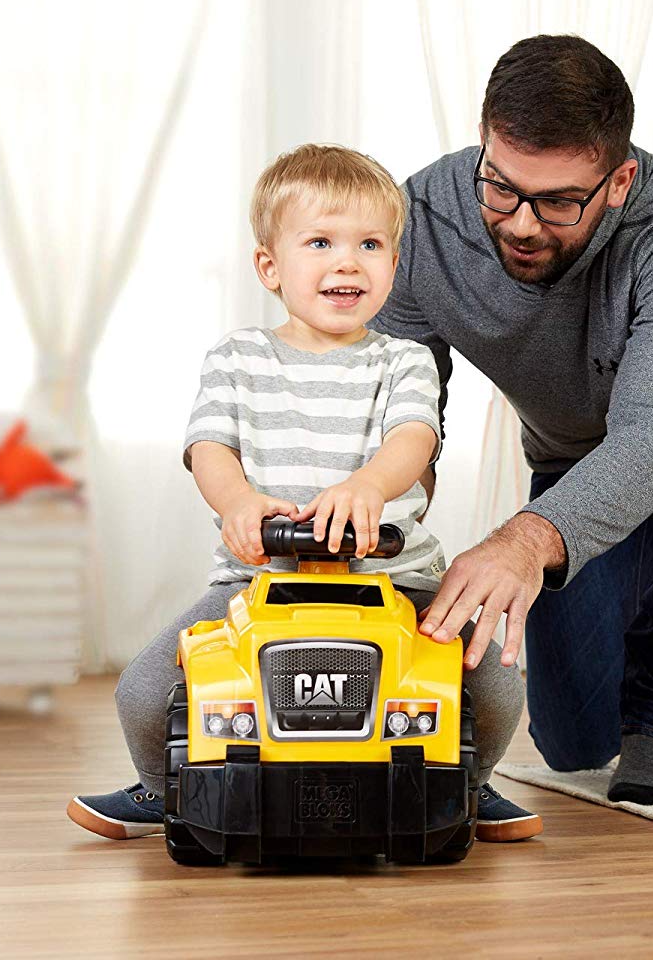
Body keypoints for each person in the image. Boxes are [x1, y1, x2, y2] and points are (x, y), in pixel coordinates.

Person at [372, 36, 653, 806]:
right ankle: (616, 706)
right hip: (576, 449)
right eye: (502, 189)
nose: (522, 225)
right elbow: (405, 412)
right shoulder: (422, 225)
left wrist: (525, 538)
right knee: (574, 741)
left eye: (560, 202)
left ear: (620, 180)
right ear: (484, 143)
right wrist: (378, 533)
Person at [68, 144, 540, 844]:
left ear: (393, 264)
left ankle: (464, 785)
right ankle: (164, 788)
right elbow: (209, 448)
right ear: (271, 266)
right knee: (141, 691)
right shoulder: (237, 358)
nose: (347, 262)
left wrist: (369, 485)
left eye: (370, 244)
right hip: (259, 581)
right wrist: (238, 505)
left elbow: (414, 439)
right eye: (320, 242)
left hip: (392, 579)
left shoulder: (403, 361)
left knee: (497, 683)